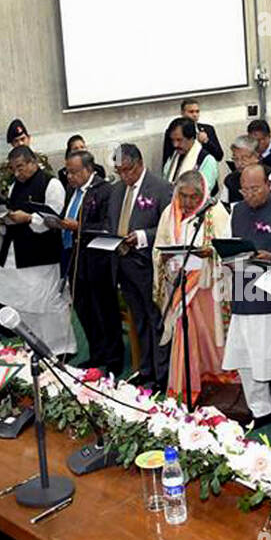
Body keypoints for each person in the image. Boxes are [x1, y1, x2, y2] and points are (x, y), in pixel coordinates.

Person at [222, 164, 271, 438]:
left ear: (268, 184)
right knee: (245, 359)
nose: (250, 195)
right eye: (245, 189)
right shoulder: (235, 210)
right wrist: (229, 260)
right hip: (244, 293)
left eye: (255, 188)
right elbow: (226, 245)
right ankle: (261, 409)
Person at [0, 145, 76, 356]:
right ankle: (33, 344)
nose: (17, 173)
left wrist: (28, 218)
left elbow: (55, 219)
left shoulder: (51, 184)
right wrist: (2, 221)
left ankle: (62, 347)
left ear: (32, 162)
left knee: (47, 304)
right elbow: (11, 214)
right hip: (17, 252)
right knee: (23, 303)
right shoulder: (14, 186)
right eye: (13, 169)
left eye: (20, 168)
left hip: (42, 254)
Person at [153, 171, 232, 404]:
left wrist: (210, 253)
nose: (187, 203)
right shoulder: (170, 212)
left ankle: (215, 380)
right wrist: (165, 259)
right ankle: (188, 386)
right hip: (180, 284)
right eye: (183, 196)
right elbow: (159, 246)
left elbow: (227, 248)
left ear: (203, 194)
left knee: (209, 337)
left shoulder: (215, 213)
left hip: (207, 288)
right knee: (184, 334)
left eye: (193, 197)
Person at [109, 144, 172, 391]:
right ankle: (145, 370)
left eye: (128, 170)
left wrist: (144, 236)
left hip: (149, 266)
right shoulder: (116, 191)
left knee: (156, 320)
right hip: (123, 265)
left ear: (140, 162)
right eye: (119, 172)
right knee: (139, 320)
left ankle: (162, 375)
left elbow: (169, 228)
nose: (125, 176)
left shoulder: (160, 188)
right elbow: (111, 222)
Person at [63, 149, 124, 375]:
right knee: (84, 310)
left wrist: (79, 227)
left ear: (88, 169)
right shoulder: (73, 190)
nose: (70, 177)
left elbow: (108, 226)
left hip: (98, 262)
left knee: (105, 311)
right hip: (75, 260)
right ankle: (97, 352)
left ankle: (114, 358)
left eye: (74, 172)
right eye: (68, 172)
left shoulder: (104, 190)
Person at [164, 117, 221, 199]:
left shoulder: (207, 160)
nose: (175, 145)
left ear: (191, 138)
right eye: (172, 140)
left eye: (179, 140)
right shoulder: (173, 157)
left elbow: (203, 192)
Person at [0, 118, 52, 197]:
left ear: (29, 138)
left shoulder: (41, 159)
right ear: (12, 144)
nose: (20, 143)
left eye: (23, 139)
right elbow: (7, 193)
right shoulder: (6, 168)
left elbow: (49, 180)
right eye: (16, 141)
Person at [161, 98, 224, 164]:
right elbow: (167, 158)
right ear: (182, 113)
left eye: (197, 111)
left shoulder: (208, 129)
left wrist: (206, 141)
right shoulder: (173, 132)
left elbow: (219, 156)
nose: (195, 115)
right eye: (191, 112)